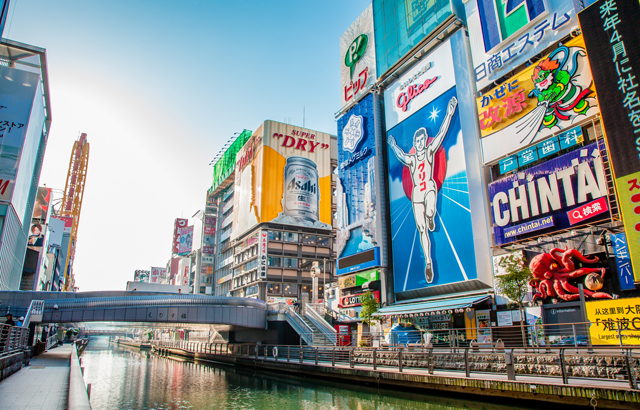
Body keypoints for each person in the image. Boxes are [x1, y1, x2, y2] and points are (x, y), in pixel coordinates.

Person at [387, 96, 457, 283]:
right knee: (421, 229)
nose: (419, 143)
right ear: (415, 142)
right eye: (417, 141)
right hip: (417, 193)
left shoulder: (429, 151)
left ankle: (431, 215)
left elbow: (442, 133)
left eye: (422, 140)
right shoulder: (411, 159)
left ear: (425, 140)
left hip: (429, 187)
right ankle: (428, 263)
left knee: (431, 209)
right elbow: (402, 155)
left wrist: (449, 113)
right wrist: (393, 146)